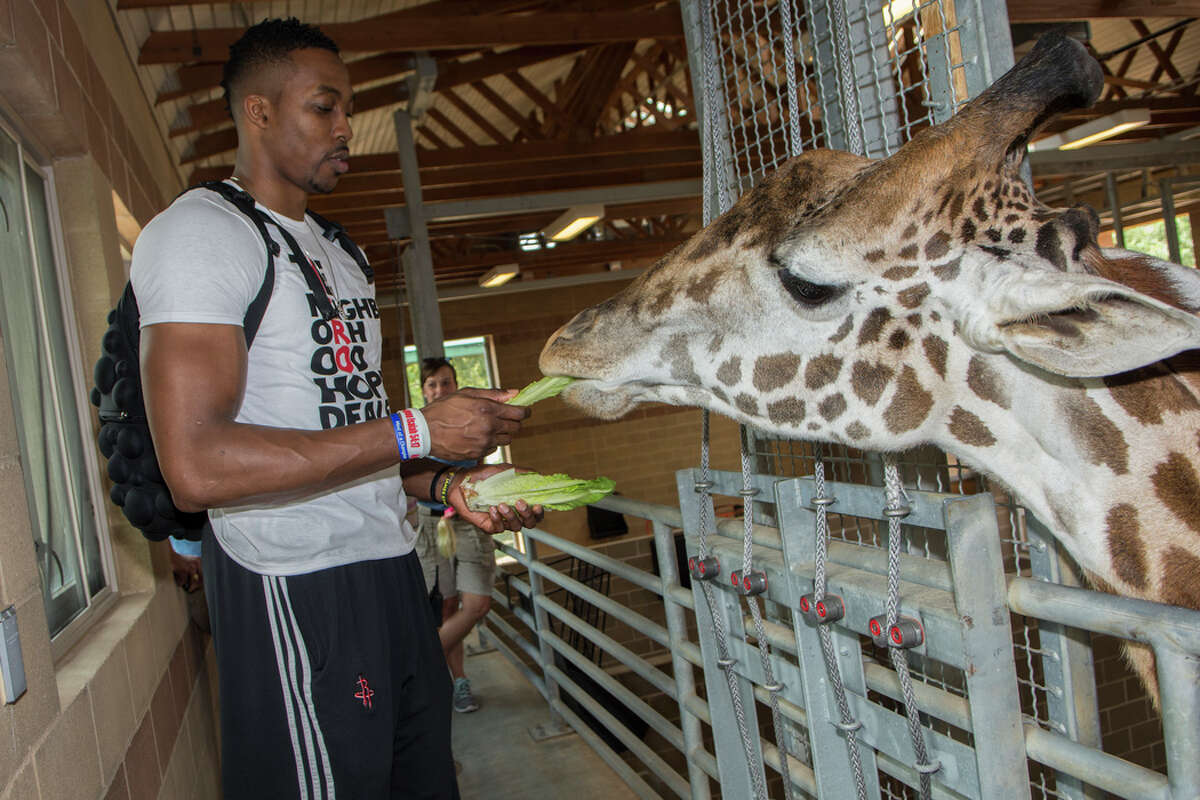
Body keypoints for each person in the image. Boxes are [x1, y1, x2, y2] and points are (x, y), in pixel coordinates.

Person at [130, 18, 543, 799]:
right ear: (257, 112)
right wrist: (418, 428)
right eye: (325, 108)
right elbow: (193, 465)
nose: (347, 128)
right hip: (298, 576)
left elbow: (357, 433)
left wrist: (447, 486)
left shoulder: (341, 250)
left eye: (347, 108)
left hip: (390, 567)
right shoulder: (201, 235)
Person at [414, 358, 500, 714]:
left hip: (468, 520)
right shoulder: (415, 426)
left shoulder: (470, 420)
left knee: (476, 603)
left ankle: (420, 666)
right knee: (446, 606)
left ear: (456, 384)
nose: (439, 390)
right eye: (432, 384)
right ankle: (458, 682)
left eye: (446, 383)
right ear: (423, 389)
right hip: (431, 524)